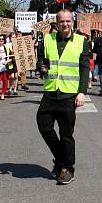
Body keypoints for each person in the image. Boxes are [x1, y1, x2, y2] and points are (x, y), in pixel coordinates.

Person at [36, 9, 90, 185]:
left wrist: (82, 92)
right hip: (51, 91)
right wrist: (41, 68)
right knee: (44, 126)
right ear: (56, 23)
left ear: (72, 22)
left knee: (66, 134)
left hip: (69, 93)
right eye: (62, 21)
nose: (65, 24)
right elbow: (41, 61)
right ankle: (62, 160)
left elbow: (84, 68)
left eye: (68, 21)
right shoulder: (47, 39)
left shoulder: (82, 41)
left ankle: (68, 169)